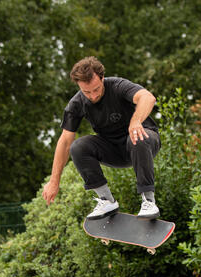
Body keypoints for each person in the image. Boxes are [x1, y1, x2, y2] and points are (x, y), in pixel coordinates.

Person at [43, 56, 161, 219]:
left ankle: (148, 201)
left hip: (143, 143)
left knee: (137, 135)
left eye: (96, 89)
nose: (92, 95)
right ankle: (107, 201)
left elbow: (148, 97)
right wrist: (54, 181)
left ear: (102, 78)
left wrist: (136, 121)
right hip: (113, 150)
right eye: (86, 92)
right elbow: (64, 142)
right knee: (77, 147)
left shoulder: (118, 86)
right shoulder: (76, 104)